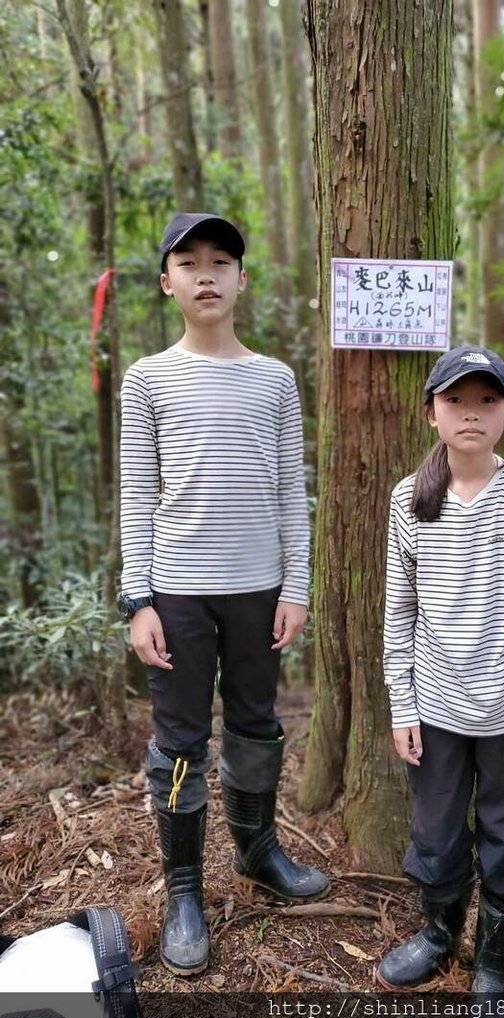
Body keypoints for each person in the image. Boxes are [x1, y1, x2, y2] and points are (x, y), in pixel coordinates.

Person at [118, 213, 329, 977]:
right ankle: (183, 891)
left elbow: (290, 493)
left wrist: (296, 587)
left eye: (221, 261)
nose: (207, 274)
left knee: (255, 726)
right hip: (177, 593)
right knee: (178, 743)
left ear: (243, 280)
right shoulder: (148, 379)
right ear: (167, 282)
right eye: (189, 261)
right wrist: (136, 600)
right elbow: (139, 493)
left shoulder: (274, 379)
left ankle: (258, 852)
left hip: (258, 591)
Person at [377, 347, 504, 995]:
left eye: (488, 400)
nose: (471, 413)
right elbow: (398, 611)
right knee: (434, 832)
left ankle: (492, 964)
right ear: (431, 412)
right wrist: (401, 703)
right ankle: (438, 935)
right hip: (433, 710)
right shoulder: (410, 499)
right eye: (456, 400)